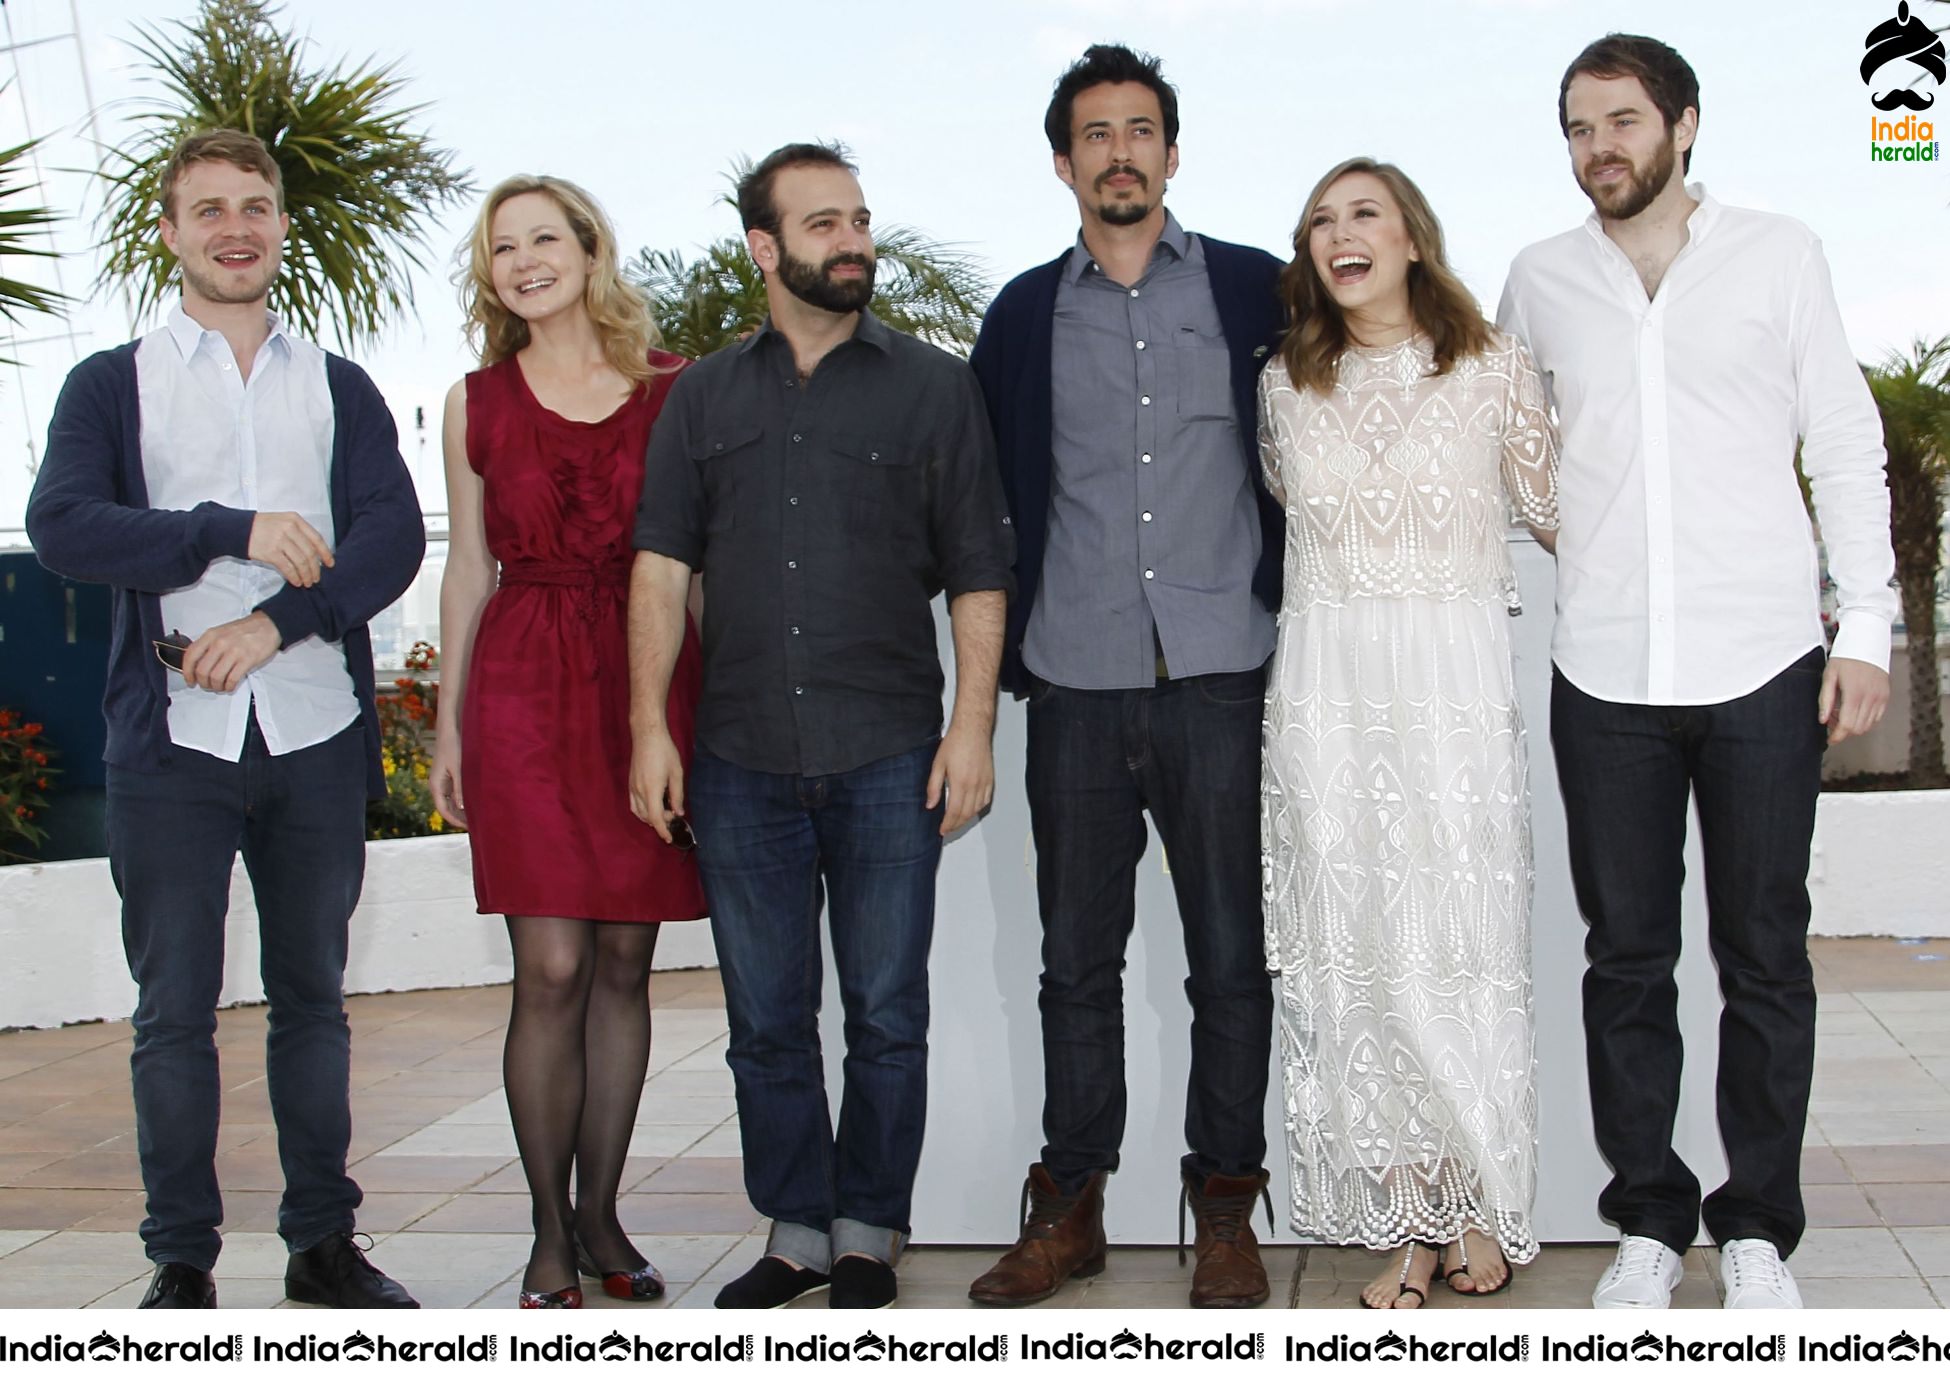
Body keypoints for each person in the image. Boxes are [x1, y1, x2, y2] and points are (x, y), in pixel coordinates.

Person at [1498, 34, 1896, 1310]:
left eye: (1619, 121)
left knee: (1764, 955)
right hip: (1604, 669)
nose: (1597, 149)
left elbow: (1841, 441)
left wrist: (1870, 629)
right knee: (1625, 957)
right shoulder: (1540, 280)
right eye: (1576, 128)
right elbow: (1515, 455)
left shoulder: (1779, 256)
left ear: (1684, 125)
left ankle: (1761, 1228)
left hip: (1764, 661)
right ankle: (1651, 1224)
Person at [24, 129, 422, 1309]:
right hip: (168, 746)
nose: (234, 226)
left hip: (312, 734)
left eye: (255, 205)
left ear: (282, 226)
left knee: (313, 1002)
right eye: (209, 209)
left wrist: (280, 622)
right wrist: (221, 527)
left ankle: (321, 1247)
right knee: (171, 1017)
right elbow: (63, 527)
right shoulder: (112, 382)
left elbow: (392, 540)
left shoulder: (338, 385)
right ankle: (181, 1261)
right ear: (170, 231)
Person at [627, 142, 1013, 1311]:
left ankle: (870, 1230)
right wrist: (651, 727)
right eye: (824, 223)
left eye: (859, 218)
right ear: (765, 247)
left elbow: (980, 570)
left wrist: (974, 727)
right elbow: (659, 569)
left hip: (892, 747)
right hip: (740, 757)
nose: (853, 240)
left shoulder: (934, 387)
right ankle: (796, 1228)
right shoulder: (700, 397)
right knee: (764, 1018)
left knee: (889, 1014)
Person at [964, 44, 1287, 1309]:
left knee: (1229, 960)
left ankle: (1225, 1211)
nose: (1118, 152)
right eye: (1094, 134)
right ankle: (1074, 1207)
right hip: (1079, 682)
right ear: (1063, 163)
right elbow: (984, 499)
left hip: (1220, 679)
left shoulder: (1258, 292)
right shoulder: (1024, 317)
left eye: (1138, 129)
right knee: (1073, 964)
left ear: (1170, 150)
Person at [1260, 158, 1558, 1309]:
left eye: (1364, 214)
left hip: (1452, 703)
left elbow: (1562, 514)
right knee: (1365, 967)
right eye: (1321, 220)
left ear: (1413, 239)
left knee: (1462, 954)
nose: (1342, 235)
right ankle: (1413, 1223)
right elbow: (1304, 529)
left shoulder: (1493, 370)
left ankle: (1479, 1201)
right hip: (1329, 701)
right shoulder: (1285, 386)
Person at [430, 175, 707, 1309]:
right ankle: (549, 1231)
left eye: (546, 238)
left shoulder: (672, 393)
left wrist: (713, 717)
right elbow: (465, 565)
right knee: (549, 966)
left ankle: (603, 1217)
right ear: (490, 274)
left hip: (646, 678)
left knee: (626, 964)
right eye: (504, 248)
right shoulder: (473, 401)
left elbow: (692, 562)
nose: (526, 260)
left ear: (592, 252)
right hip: (524, 689)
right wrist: (447, 721)